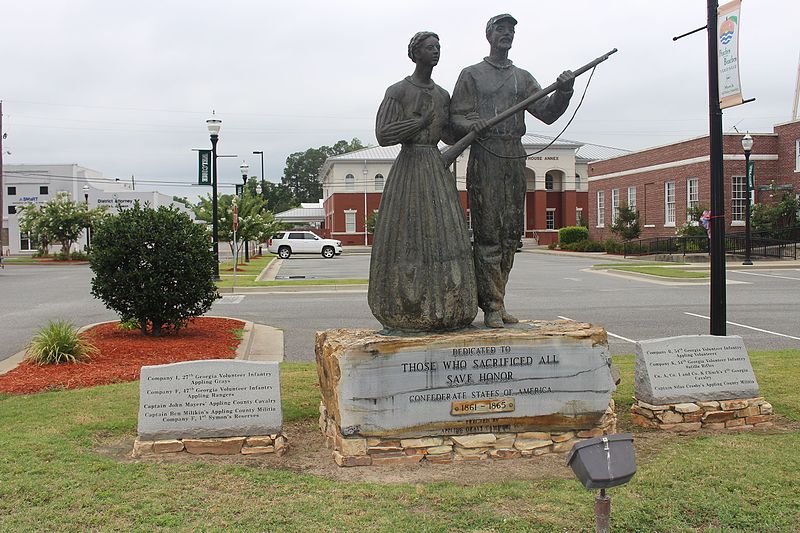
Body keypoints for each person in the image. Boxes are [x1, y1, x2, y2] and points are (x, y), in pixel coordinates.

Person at [450, 14, 575, 328]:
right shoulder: (471, 75)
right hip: (486, 154)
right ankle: (490, 305)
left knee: (510, 235)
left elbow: (546, 114)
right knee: (488, 234)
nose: (506, 34)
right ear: (489, 34)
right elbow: (455, 118)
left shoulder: (523, 77)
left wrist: (564, 92)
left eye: (511, 31)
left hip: (514, 154)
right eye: (501, 29)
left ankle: (498, 298)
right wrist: (471, 123)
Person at [368, 31, 478, 333]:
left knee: (444, 236)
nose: (436, 52)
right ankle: (404, 306)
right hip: (409, 169)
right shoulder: (398, 91)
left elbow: (449, 136)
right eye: (430, 47)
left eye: (439, 47)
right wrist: (418, 123)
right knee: (408, 236)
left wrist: (472, 130)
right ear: (415, 53)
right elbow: (383, 133)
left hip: (435, 169)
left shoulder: (443, 95)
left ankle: (447, 304)